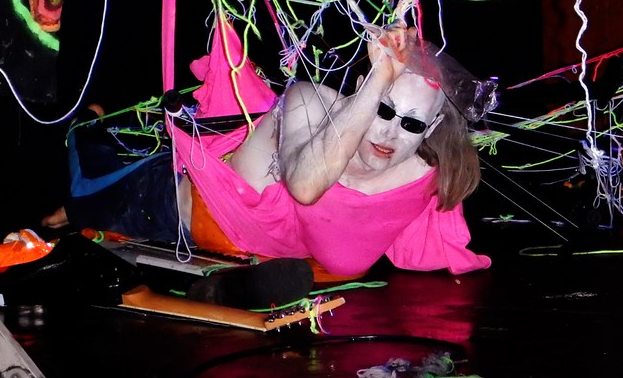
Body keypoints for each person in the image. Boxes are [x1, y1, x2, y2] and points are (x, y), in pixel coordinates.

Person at [42, 21, 496, 282]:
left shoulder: (419, 179)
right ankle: (87, 128)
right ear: (364, 89)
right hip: (161, 202)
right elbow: (305, 187)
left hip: (231, 249)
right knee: (81, 192)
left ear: (430, 128)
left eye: (412, 123)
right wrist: (381, 77)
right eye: (383, 108)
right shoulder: (310, 101)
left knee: (81, 203)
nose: (391, 133)